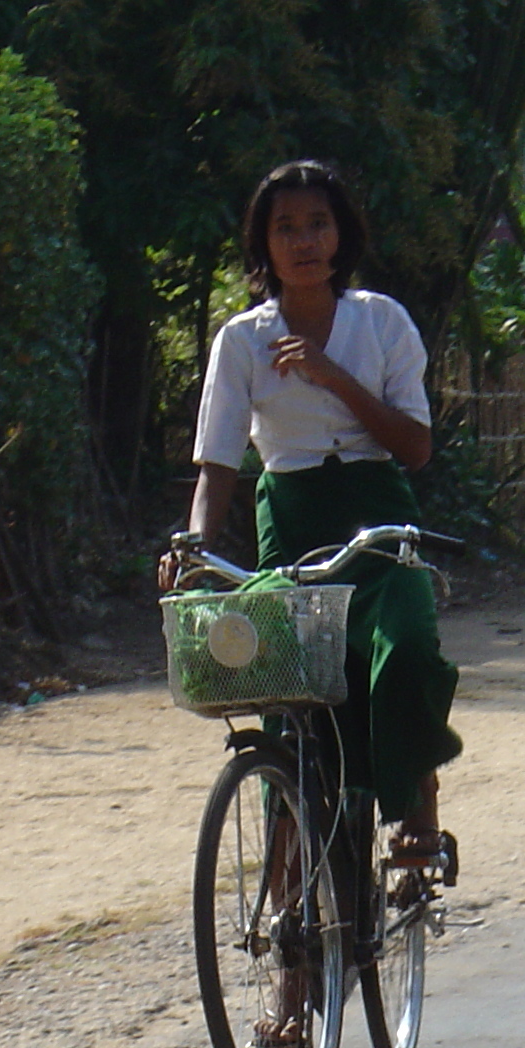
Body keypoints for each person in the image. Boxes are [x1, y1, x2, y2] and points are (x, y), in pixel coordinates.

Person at [176, 158, 462, 871]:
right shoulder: (240, 340)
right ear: (263, 246)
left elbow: (416, 446)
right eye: (286, 228)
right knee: (288, 687)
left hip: (378, 514)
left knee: (406, 647)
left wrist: (331, 376)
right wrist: (193, 547)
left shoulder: (382, 321)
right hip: (293, 515)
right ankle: (289, 890)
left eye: (318, 224)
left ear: (342, 235)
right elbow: (217, 462)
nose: (304, 241)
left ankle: (418, 800)